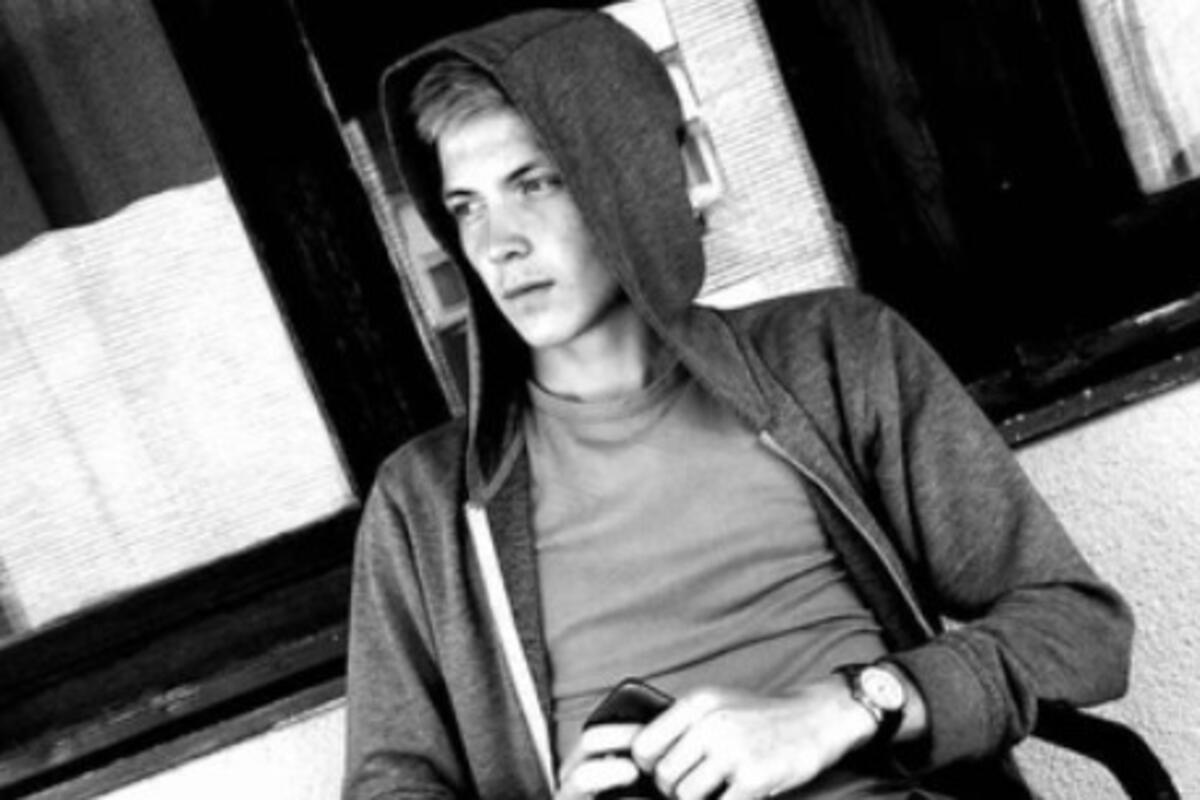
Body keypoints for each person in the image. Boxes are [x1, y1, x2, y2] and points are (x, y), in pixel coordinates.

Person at [343, 9, 1133, 800]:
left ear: (631, 178)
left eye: (535, 183)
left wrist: (849, 706)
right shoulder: (425, 505)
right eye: (466, 206)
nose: (497, 244)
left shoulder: (834, 357)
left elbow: (1080, 627)